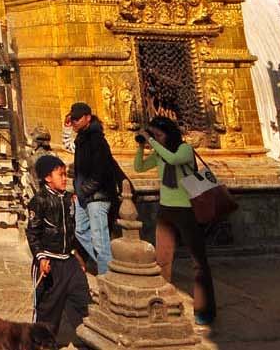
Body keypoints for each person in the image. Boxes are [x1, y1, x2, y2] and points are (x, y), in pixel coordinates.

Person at [131, 115, 212, 329]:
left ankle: (204, 308)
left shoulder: (183, 149)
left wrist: (153, 142)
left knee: (198, 262)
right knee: (163, 259)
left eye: (158, 134)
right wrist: (141, 146)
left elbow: (173, 159)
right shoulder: (159, 153)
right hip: (166, 210)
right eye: (153, 135)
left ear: (168, 133)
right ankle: (164, 303)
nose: (155, 138)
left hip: (187, 209)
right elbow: (139, 167)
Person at [25, 153, 93, 339]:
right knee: (47, 310)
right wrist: (41, 258)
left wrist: (77, 256)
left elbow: (71, 231)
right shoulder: (39, 201)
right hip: (49, 264)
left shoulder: (69, 199)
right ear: (47, 178)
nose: (65, 179)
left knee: (85, 302)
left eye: (65, 174)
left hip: (69, 262)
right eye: (60, 175)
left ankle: (92, 339)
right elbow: (32, 233)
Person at [67, 102, 124, 282]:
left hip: (97, 196)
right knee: (81, 230)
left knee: (100, 240)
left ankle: (107, 278)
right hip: (84, 196)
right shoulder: (82, 139)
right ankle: (109, 264)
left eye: (77, 119)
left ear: (87, 118)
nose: (74, 122)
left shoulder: (96, 140)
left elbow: (100, 171)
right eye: (73, 119)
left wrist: (84, 189)